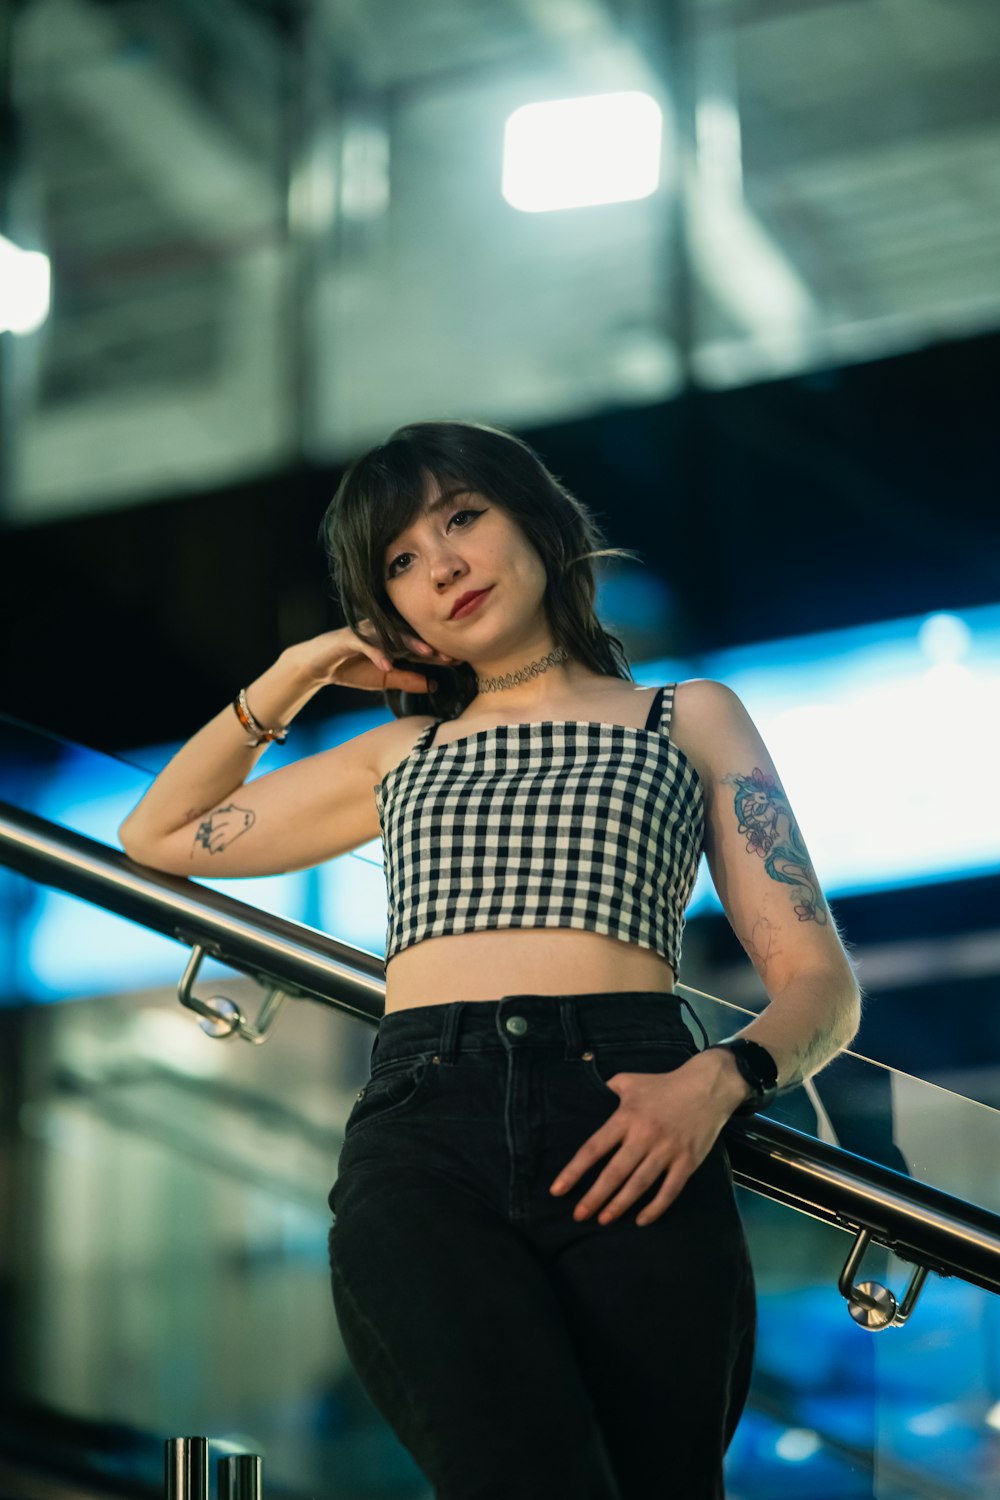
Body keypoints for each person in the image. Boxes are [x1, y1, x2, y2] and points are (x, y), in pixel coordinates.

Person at [119, 419, 863, 1499]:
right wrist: (297, 669)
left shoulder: (683, 717)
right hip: (430, 1132)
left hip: (636, 1114)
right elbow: (158, 836)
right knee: (516, 1472)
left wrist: (718, 1081)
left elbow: (820, 985)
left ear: (538, 519)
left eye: (462, 518)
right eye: (401, 563)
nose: (445, 569)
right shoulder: (399, 752)